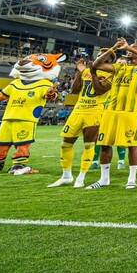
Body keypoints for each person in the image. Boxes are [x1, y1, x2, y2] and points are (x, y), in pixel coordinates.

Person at [0, 53, 63, 175]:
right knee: (1, 142)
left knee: (22, 143)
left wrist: (52, 93)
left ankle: (19, 164)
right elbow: (1, 96)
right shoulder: (15, 83)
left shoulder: (45, 84)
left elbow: (52, 97)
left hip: (27, 119)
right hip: (8, 117)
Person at [85, 39, 137, 190]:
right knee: (104, 145)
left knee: (132, 146)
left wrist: (130, 47)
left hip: (129, 113)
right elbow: (96, 65)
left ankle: (132, 178)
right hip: (110, 111)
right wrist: (113, 48)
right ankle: (104, 179)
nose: (129, 51)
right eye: (129, 49)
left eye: (133, 49)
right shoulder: (119, 67)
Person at [48, 56, 111, 188]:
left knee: (88, 145)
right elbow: (75, 89)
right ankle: (66, 176)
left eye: (104, 55)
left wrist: (92, 72)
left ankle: (81, 177)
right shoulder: (86, 71)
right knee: (65, 143)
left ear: (108, 60)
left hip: (94, 111)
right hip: (78, 110)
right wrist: (80, 71)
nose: (100, 56)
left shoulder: (111, 73)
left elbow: (100, 90)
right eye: (100, 53)